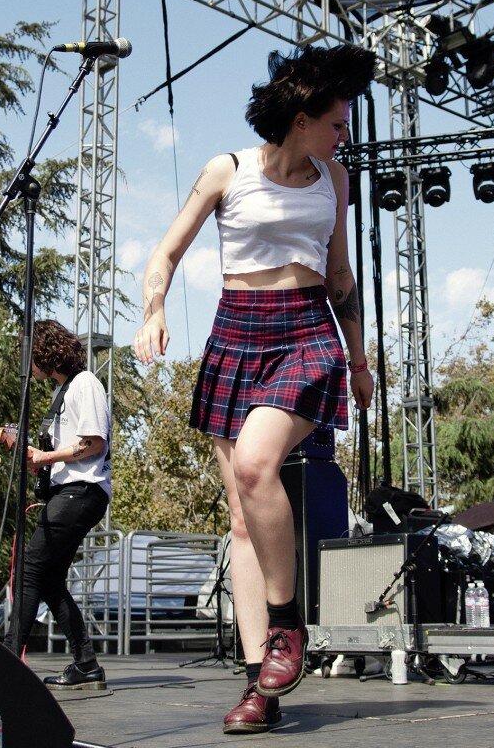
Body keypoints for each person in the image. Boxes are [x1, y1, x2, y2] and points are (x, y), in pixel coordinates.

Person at [133, 45, 376, 734]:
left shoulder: (335, 175)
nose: (343, 135)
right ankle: (257, 688)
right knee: (241, 517)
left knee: (255, 464)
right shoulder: (227, 171)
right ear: (301, 120)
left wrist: (358, 361)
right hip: (237, 332)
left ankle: (286, 627)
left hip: (306, 333)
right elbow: (167, 252)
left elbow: (339, 276)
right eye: (335, 123)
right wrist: (153, 308)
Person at [4, 319, 112, 691]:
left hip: (83, 491)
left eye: (29, 355)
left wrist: (45, 457)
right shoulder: (64, 391)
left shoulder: (85, 384)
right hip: (69, 492)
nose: (27, 364)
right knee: (49, 580)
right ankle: (86, 664)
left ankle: (6, 660)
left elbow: (93, 443)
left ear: (43, 353)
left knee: (30, 569)